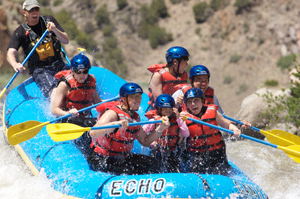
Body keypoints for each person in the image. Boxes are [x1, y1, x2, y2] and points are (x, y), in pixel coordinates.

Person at [88, 82, 170, 175]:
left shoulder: (135, 117)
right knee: (127, 171)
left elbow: (145, 141)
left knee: (151, 163)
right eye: (134, 96)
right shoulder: (112, 113)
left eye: (139, 96)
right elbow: (93, 132)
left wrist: (161, 128)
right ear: (123, 99)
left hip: (121, 158)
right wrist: (115, 124)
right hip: (102, 158)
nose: (138, 100)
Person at [180, 88, 251, 175]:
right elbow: (179, 138)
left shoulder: (213, 112)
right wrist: (179, 121)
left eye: (196, 100)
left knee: (222, 172)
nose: (193, 104)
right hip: (197, 155)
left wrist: (235, 129)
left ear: (202, 101)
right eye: (189, 101)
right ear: (186, 104)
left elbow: (227, 124)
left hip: (217, 152)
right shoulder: (184, 117)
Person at [7, 0, 69, 99]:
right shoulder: (20, 32)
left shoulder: (49, 20)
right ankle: (57, 111)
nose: (35, 12)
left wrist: (55, 30)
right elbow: (10, 53)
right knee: (55, 92)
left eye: (37, 9)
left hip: (58, 63)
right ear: (24, 13)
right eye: (31, 10)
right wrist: (15, 64)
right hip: (40, 69)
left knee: (74, 86)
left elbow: (66, 40)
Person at [143, 94, 189, 173]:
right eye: (165, 108)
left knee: (177, 171)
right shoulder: (154, 120)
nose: (168, 111)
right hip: (157, 151)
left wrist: (178, 118)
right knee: (155, 169)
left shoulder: (177, 120)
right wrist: (151, 143)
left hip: (172, 153)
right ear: (159, 109)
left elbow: (186, 134)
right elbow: (143, 133)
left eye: (169, 108)